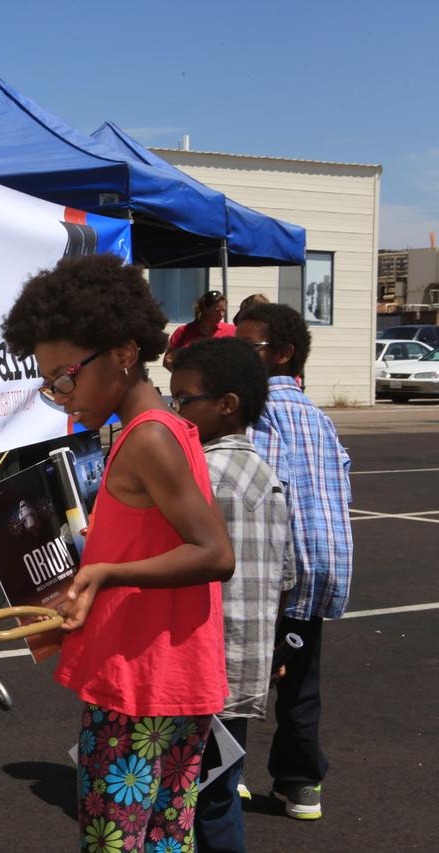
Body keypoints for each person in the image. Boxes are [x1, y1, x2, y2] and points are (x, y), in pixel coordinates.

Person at [1, 254, 234, 853]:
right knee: (161, 842)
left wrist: (105, 572)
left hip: (142, 688)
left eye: (65, 377)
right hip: (165, 681)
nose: (59, 396)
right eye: (48, 382)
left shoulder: (148, 437)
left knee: (116, 843)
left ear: (124, 354)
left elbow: (213, 552)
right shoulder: (160, 426)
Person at [170, 338, 296, 853]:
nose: (176, 413)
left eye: (184, 401)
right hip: (243, 665)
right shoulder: (268, 475)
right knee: (218, 793)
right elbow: (286, 575)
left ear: (226, 404)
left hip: (195, 666)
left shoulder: (200, 475)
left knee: (175, 797)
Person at [233, 302, 353, 821]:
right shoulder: (319, 418)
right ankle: (300, 784)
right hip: (320, 575)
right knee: (301, 685)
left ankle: (225, 775)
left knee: (235, 676)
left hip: (266, 578)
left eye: (246, 345)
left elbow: (258, 493)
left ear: (281, 354)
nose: (234, 352)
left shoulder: (256, 412)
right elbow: (341, 481)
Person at [162, 289, 235, 370]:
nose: (221, 315)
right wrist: (183, 377)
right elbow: (168, 360)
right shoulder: (183, 332)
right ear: (205, 309)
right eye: (217, 310)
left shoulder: (232, 330)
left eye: (223, 311)